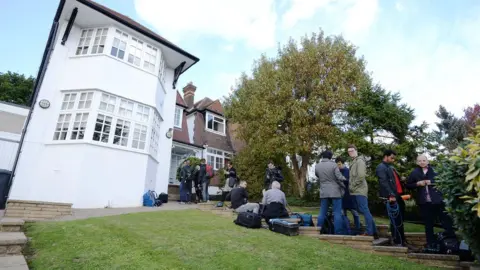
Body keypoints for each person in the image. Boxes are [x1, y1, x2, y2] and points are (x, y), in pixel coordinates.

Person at [406, 154, 455, 250]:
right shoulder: (414, 172)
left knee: (446, 221)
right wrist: (417, 184)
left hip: (438, 201)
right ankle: (430, 244)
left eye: (424, 160)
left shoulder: (434, 171)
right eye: (419, 161)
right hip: (425, 203)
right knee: (428, 224)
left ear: (427, 161)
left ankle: (452, 241)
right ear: (417, 162)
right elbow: (408, 185)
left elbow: (441, 181)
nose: (422, 162)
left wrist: (430, 182)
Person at [347, 145, 378, 238]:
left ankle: (369, 232)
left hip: (359, 190)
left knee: (364, 210)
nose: (351, 153)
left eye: (352, 150)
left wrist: (352, 186)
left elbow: (361, 176)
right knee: (364, 210)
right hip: (356, 190)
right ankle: (374, 232)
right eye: (349, 151)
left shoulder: (360, 161)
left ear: (356, 150)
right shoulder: (354, 161)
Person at [376, 149, 405, 246]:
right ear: (386, 156)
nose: (393, 160)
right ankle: (397, 241)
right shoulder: (381, 167)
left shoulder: (390, 167)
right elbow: (383, 182)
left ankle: (401, 240)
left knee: (400, 220)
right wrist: (391, 195)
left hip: (398, 196)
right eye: (391, 158)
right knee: (395, 220)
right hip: (392, 196)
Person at [315, 150, 346, 235]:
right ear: (330, 157)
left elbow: (317, 175)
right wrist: (345, 179)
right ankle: (338, 232)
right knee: (337, 213)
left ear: (323, 156)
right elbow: (339, 177)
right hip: (335, 191)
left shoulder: (317, 166)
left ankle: (318, 230)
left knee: (322, 212)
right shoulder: (333, 165)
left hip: (324, 191)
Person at [335, 156, 361, 235]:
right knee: (343, 214)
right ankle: (347, 230)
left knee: (355, 213)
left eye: (339, 164)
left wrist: (342, 180)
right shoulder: (337, 171)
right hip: (341, 195)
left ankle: (358, 229)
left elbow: (350, 181)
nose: (338, 166)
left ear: (343, 163)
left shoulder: (348, 171)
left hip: (350, 195)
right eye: (337, 164)